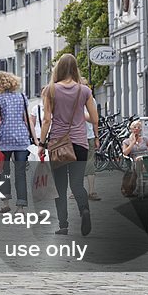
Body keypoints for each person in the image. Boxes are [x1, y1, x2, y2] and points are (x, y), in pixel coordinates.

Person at [39, 54, 98, 237]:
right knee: (77, 184)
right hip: (80, 142)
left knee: (60, 186)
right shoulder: (85, 91)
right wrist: (95, 136)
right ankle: (84, 210)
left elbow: (47, 120)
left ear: (58, 68)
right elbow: (95, 119)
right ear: (75, 69)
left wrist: (41, 143)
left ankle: (63, 225)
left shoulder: (50, 90)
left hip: (58, 144)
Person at [0, 71, 34, 211]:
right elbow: (27, 120)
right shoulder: (22, 97)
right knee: (20, 172)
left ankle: (5, 203)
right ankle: (21, 206)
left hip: (4, 139)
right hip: (22, 138)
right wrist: (34, 139)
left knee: (4, 172)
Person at [121, 119, 148, 194]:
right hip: (135, 161)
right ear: (131, 129)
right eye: (135, 127)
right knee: (139, 162)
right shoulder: (126, 141)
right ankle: (139, 187)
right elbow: (125, 153)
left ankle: (139, 187)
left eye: (139, 127)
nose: (137, 129)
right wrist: (132, 143)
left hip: (146, 160)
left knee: (142, 164)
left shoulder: (145, 139)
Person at [81, 78, 100, 201]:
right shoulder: (91, 99)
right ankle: (91, 191)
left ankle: (89, 191)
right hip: (85, 136)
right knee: (88, 163)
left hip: (83, 136)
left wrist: (96, 136)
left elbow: (94, 121)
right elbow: (95, 120)